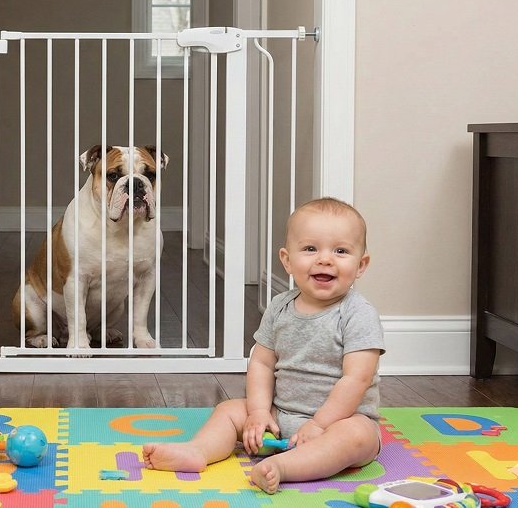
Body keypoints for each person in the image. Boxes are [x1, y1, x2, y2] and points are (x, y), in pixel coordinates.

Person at [142, 197, 384, 494]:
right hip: (279, 417)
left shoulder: (358, 313)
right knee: (230, 410)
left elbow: (356, 378)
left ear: (361, 265)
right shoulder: (280, 307)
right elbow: (262, 363)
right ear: (287, 260)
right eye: (310, 249)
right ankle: (198, 451)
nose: (325, 259)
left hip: (338, 422)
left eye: (341, 251)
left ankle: (283, 468)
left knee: (358, 436)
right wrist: (258, 412)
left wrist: (320, 424)